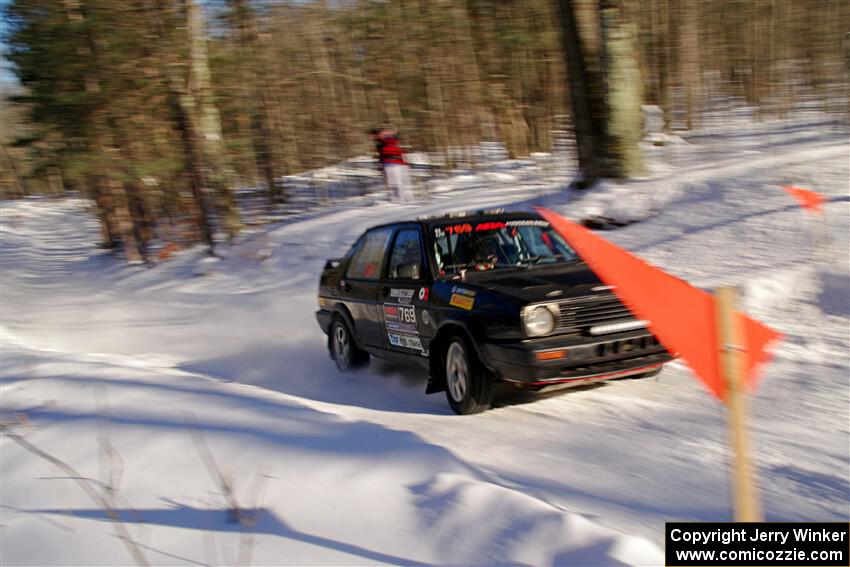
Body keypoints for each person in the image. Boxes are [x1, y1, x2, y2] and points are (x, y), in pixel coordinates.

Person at [371, 126, 413, 202]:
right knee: (396, 183)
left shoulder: (387, 140)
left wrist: (389, 135)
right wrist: (380, 165)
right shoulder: (381, 142)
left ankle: (403, 200)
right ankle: (399, 200)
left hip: (396, 163)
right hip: (392, 163)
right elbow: (382, 154)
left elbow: (394, 144)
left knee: (400, 183)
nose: (372, 137)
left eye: (374, 135)